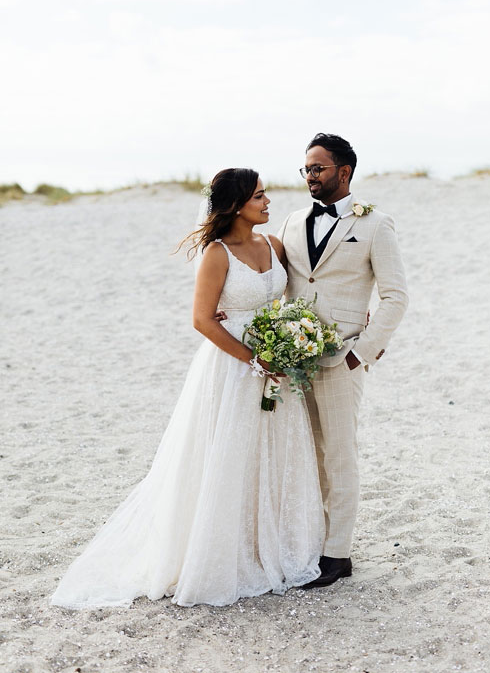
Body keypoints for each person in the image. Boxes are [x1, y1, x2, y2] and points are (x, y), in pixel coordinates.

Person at [51, 168, 325, 609]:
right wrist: (255, 359)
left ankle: (266, 543)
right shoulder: (217, 254)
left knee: (271, 453)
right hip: (235, 367)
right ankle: (222, 551)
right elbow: (201, 319)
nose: (268, 201)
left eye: (266, 193)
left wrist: (294, 338)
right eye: (259, 196)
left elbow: (301, 292)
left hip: (277, 362)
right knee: (228, 454)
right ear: (236, 205)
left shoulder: (273, 245)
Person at [276, 134, 408, 588]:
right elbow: (282, 281)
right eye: (306, 169)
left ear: (344, 171)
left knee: (339, 454)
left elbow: (395, 297)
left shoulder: (375, 224)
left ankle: (337, 556)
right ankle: (313, 541)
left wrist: (361, 353)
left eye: (318, 168)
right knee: (306, 453)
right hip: (295, 360)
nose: (310, 176)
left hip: (341, 359)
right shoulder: (293, 222)